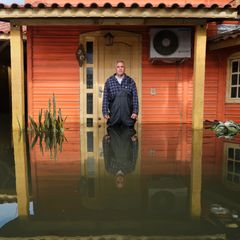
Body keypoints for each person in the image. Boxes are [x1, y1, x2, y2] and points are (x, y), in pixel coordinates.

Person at [102, 60, 139, 127]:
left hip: (128, 116)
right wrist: (105, 112)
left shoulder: (130, 81)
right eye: (118, 67)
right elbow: (105, 98)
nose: (120, 68)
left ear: (124, 68)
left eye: (122, 67)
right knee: (113, 134)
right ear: (115, 69)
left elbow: (135, 98)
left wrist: (135, 111)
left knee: (128, 135)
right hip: (114, 117)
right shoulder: (109, 81)